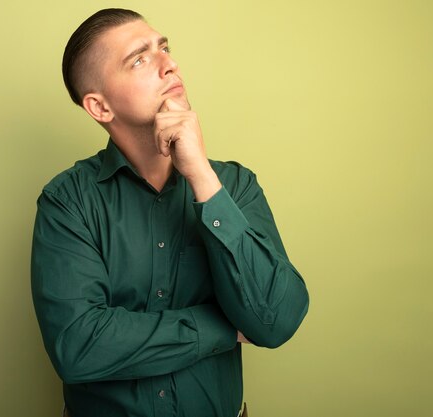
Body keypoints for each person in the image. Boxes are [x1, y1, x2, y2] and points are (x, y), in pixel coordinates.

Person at [31, 8, 309, 417]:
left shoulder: (234, 186)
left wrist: (201, 177)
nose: (170, 64)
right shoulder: (67, 201)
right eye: (140, 59)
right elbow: (80, 346)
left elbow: (277, 320)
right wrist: (224, 328)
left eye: (165, 47)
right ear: (100, 107)